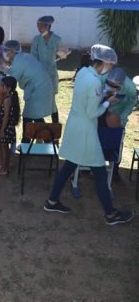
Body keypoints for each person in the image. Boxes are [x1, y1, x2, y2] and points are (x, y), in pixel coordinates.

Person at [44, 44, 134, 226]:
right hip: (86, 130)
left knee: (69, 165)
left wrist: (103, 98)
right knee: (100, 171)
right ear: (106, 63)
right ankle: (111, 215)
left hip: (75, 124)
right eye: (111, 65)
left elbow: (87, 101)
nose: (111, 69)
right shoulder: (94, 82)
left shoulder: (84, 72)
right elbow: (94, 112)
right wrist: (108, 102)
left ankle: (52, 201)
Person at [4, 40, 53, 142]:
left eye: (7, 50)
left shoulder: (19, 60)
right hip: (40, 87)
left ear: (13, 51)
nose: (6, 53)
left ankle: (28, 142)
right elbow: (13, 71)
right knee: (33, 115)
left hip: (39, 89)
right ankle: (46, 140)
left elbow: (11, 80)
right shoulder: (23, 57)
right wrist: (3, 69)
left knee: (31, 116)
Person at [99, 67, 137, 181]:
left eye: (114, 86)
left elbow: (131, 104)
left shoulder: (130, 88)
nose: (110, 87)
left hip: (118, 114)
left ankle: (114, 170)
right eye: (109, 84)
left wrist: (122, 118)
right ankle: (94, 167)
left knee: (116, 141)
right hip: (102, 111)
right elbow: (95, 96)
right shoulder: (102, 79)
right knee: (99, 137)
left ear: (121, 85)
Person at [30, 16, 62, 123]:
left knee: (52, 103)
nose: (39, 29)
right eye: (38, 26)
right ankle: (41, 125)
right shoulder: (37, 39)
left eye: (41, 26)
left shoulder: (57, 39)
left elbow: (61, 53)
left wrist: (63, 54)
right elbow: (33, 58)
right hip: (39, 76)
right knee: (38, 100)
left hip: (52, 75)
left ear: (48, 26)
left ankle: (55, 128)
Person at [0, 76, 20, 176]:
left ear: (8, 88)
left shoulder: (7, 100)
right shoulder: (7, 97)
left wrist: (2, 130)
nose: (0, 87)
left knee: (4, 149)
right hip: (5, 127)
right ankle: (3, 165)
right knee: (2, 148)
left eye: (2, 86)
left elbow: (6, 116)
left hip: (5, 128)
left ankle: (4, 169)